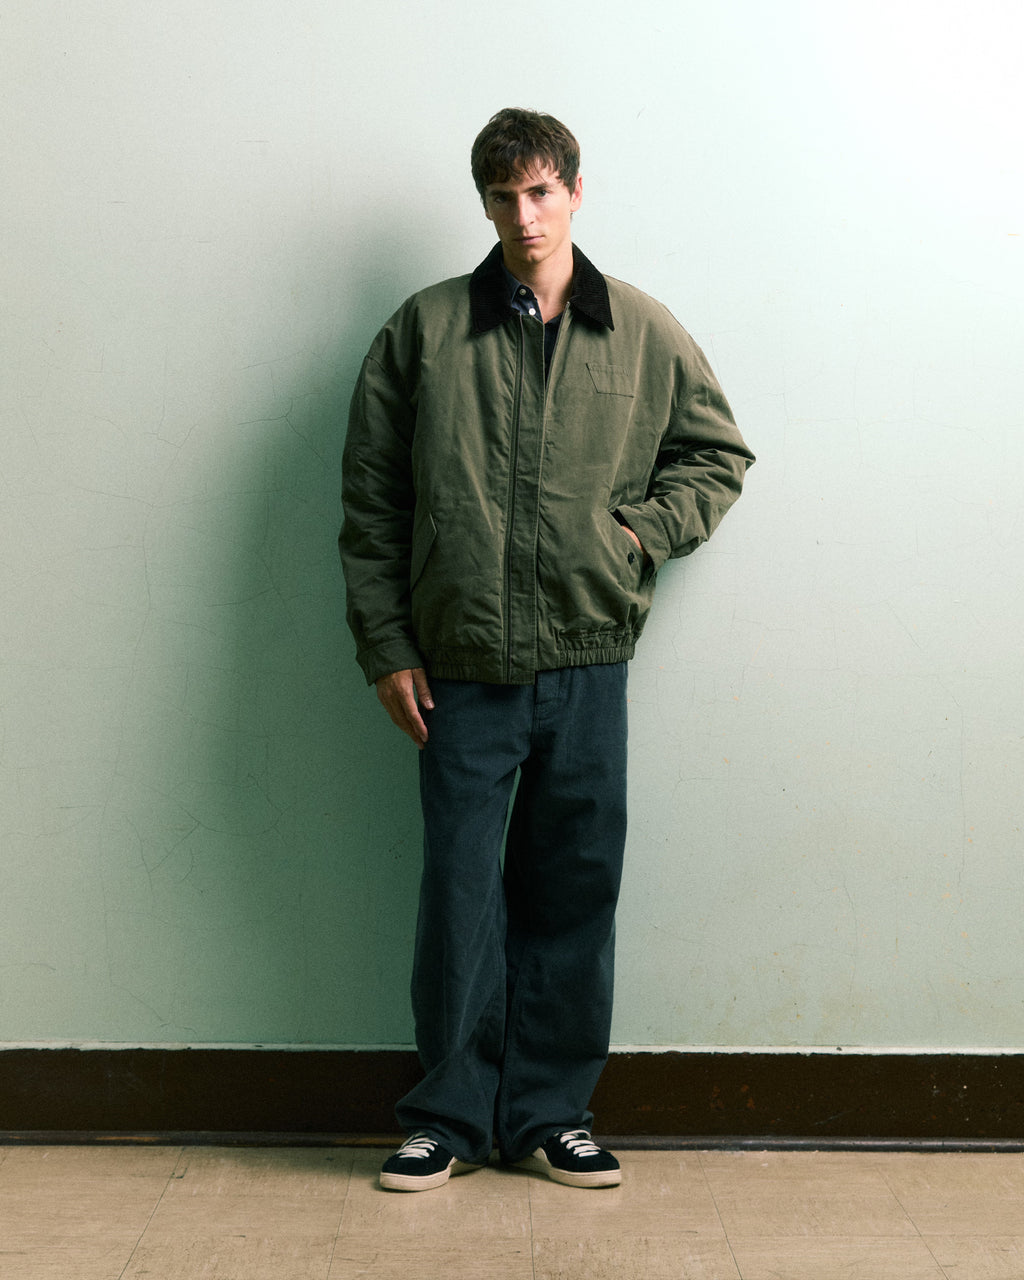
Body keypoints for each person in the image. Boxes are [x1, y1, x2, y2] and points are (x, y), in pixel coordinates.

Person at [339, 108, 754, 1192]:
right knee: (461, 895)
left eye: (539, 192)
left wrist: (639, 535)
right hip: (459, 667)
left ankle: (551, 1111)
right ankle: (446, 1112)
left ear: (574, 190)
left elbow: (716, 455)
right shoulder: (423, 332)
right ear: (481, 204)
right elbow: (371, 499)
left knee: (573, 889)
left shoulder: (643, 331)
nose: (522, 216)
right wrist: (386, 644)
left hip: (585, 663)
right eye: (501, 196)